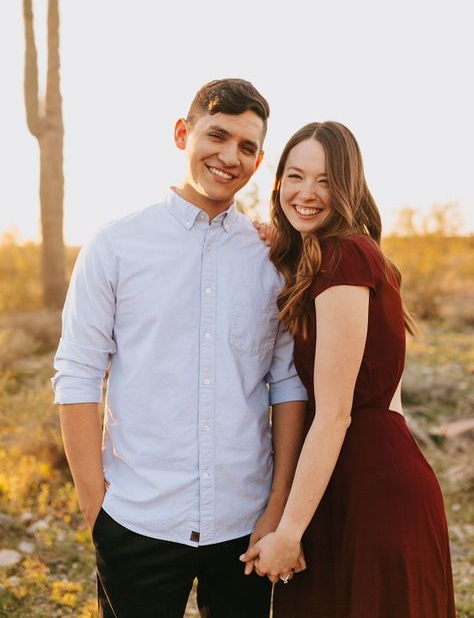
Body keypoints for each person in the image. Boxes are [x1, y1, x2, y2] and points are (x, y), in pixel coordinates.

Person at [52, 79, 308, 618]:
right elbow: (77, 375)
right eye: (217, 135)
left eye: (247, 147)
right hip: (137, 519)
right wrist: (95, 508)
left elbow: (287, 385)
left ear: (258, 163)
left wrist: (277, 510)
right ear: (181, 133)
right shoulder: (116, 246)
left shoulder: (272, 261)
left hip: (245, 523)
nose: (229, 156)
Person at [241, 121, 456, 617]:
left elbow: (336, 413)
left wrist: (288, 532)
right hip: (355, 476)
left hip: (367, 487)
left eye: (325, 181)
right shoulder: (341, 256)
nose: (307, 193)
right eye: (295, 177)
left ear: (349, 186)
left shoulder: (344, 259)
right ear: (277, 182)